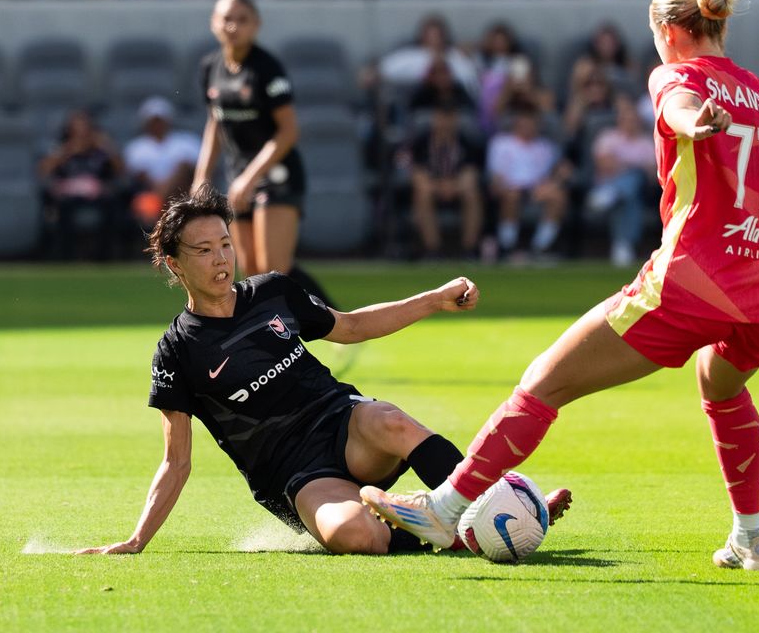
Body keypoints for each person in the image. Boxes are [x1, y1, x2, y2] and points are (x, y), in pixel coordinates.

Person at [362, 0, 759, 573]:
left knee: (546, 379)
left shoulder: (676, 74)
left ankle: (447, 507)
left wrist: (692, 124)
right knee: (721, 385)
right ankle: (750, 538)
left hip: (693, 284)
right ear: (720, 22)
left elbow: (680, 105)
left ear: (664, 28)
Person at [75, 186, 571, 555]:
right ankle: (437, 520)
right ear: (173, 264)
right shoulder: (177, 352)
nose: (221, 259)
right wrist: (137, 539)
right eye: (203, 251)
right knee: (356, 536)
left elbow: (351, 326)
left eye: (225, 244)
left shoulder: (272, 292)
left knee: (392, 421)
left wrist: (434, 300)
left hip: (341, 422)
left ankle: (506, 509)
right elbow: (175, 462)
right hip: (294, 472)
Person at [192, 0, 333, 306]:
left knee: (274, 268)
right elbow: (215, 123)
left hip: (276, 176)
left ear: (256, 25)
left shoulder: (267, 69)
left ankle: (339, 323)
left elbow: (288, 131)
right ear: (214, 23)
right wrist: (202, 176)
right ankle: (276, 341)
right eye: (227, 18)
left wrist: (251, 177)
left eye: (242, 20)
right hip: (239, 176)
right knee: (252, 272)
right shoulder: (210, 68)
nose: (233, 26)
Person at [39, 110, 124, 260]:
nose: (81, 133)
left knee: (111, 204)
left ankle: (104, 256)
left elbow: (120, 170)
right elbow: (44, 170)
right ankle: (66, 256)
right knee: (62, 208)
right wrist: (68, 150)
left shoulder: (100, 150)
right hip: (69, 195)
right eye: (77, 129)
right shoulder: (62, 148)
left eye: (85, 129)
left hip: (95, 194)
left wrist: (106, 146)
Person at [486, 102, 567, 257]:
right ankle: (507, 247)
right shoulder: (501, 143)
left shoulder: (545, 147)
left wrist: (555, 180)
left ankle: (540, 247)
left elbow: (552, 175)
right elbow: (496, 176)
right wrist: (506, 187)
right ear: (516, 124)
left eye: (532, 124)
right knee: (512, 196)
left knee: (558, 197)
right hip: (509, 188)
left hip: (537, 190)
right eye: (524, 123)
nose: (528, 127)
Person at [409, 101, 483, 260]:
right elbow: (418, 174)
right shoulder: (421, 143)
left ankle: (468, 249)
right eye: (441, 119)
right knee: (422, 193)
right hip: (431, 188)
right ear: (434, 119)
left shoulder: (466, 142)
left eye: (450, 119)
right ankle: (433, 249)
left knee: (471, 193)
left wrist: (452, 186)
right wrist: (439, 186)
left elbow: (470, 174)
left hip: (458, 188)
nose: (445, 124)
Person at [587, 95, 657, 266]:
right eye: (626, 119)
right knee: (628, 198)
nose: (630, 123)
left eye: (633, 120)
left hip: (641, 188)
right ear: (619, 121)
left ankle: (615, 194)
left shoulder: (647, 142)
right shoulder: (608, 137)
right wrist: (633, 165)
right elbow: (604, 164)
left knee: (634, 177)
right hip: (607, 183)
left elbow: (652, 172)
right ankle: (623, 244)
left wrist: (624, 165)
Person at [125, 97, 200, 227]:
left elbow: (194, 170)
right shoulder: (137, 147)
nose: (157, 125)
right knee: (145, 204)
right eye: (154, 121)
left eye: (160, 120)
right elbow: (141, 176)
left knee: (182, 167)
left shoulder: (186, 141)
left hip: (183, 193)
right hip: (150, 196)